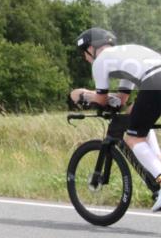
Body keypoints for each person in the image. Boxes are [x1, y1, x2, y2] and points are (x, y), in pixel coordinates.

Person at [69, 28, 161, 210]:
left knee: (133, 138)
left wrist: (83, 96)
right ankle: (157, 167)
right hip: (155, 78)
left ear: (91, 48)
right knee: (136, 118)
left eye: (84, 54)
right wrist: (111, 100)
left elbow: (101, 99)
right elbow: (122, 99)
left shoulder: (100, 62)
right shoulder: (123, 56)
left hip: (155, 81)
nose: (85, 58)